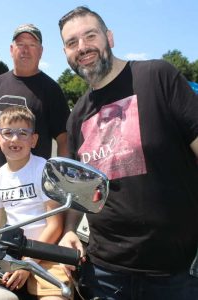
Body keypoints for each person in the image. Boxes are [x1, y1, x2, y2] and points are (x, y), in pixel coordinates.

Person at [57, 6, 198, 300]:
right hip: (105, 273)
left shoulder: (158, 77)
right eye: (72, 43)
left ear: (109, 37)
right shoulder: (77, 117)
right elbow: (77, 189)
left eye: (90, 35)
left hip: (175, 272)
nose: (82, 48)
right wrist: (69, 230)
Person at [0, 23, 70, 230]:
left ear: (41, 51)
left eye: (32, 44)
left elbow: (63, 139)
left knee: (28, 253)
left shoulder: (51, 90)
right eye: (20, 44)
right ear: (12, 50)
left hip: (33, 192)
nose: (26, 49)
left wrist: (60, 181)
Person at [0, 105, 71, 299]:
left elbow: (55, 226)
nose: (15, 139)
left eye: (23, 133)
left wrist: (28, 263)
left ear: (34, 140)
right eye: (8, 133)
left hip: (47, 253)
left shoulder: (44, 170)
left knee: (55, 296)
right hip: (11, 254)